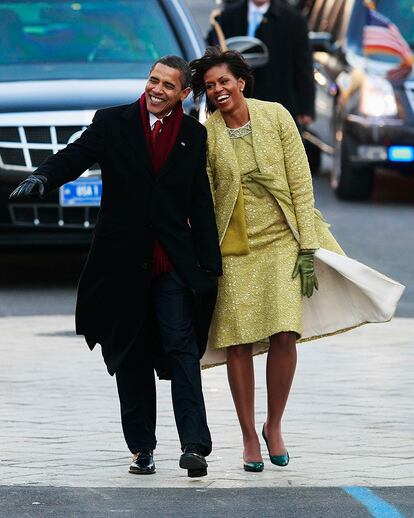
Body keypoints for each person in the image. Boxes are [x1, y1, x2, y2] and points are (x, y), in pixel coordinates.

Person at [190, 48, 404, 473]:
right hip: (235, 247)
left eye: (224, 82)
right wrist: (204, 253)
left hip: (283, 238)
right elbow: (206, 195)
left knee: (285, 333)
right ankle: (249, 434)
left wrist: (307, 246)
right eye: (211, 86)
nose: (218, 91)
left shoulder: (276, 116)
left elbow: (302, 182)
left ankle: (275, 424)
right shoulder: (207, 133)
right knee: (238, 341)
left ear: (241, 82)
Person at [9, 56, 222, 478]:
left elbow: (201, 201)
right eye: (152, 80)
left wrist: (208, 266)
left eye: (167, 85)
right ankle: (142, 448)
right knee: (132, 354)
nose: (156, 89)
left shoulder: (194, 136)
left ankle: (194, 446)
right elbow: (76, 155)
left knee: (182, 348)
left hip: (172, 264)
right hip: (123, 263)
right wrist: (42, 178)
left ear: (183, 94)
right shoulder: (113, 122)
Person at [207, 0, 315, 127]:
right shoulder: (227, 16)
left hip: (278, 105)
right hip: (236, 108)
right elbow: (212, 56)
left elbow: (303, 66)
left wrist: (306, 108)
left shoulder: (293, 21)